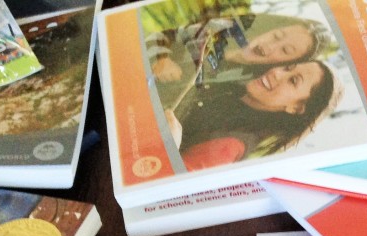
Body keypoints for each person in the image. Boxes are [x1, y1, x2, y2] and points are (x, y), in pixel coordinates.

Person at [164, 59, 342, 168]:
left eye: (293, 80)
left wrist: (169, 145)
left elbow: (172, 189)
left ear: (295, 107)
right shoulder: (232, 85)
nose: (277, 72)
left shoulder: (230, 145)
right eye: (287, 67)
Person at [145, 14, 328, 85]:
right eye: (276, 36)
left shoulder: (245, 84)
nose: (269, 46)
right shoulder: (223, 29)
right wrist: (162, 58)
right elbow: (164, 34)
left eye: (285, 50)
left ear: (286, 63)